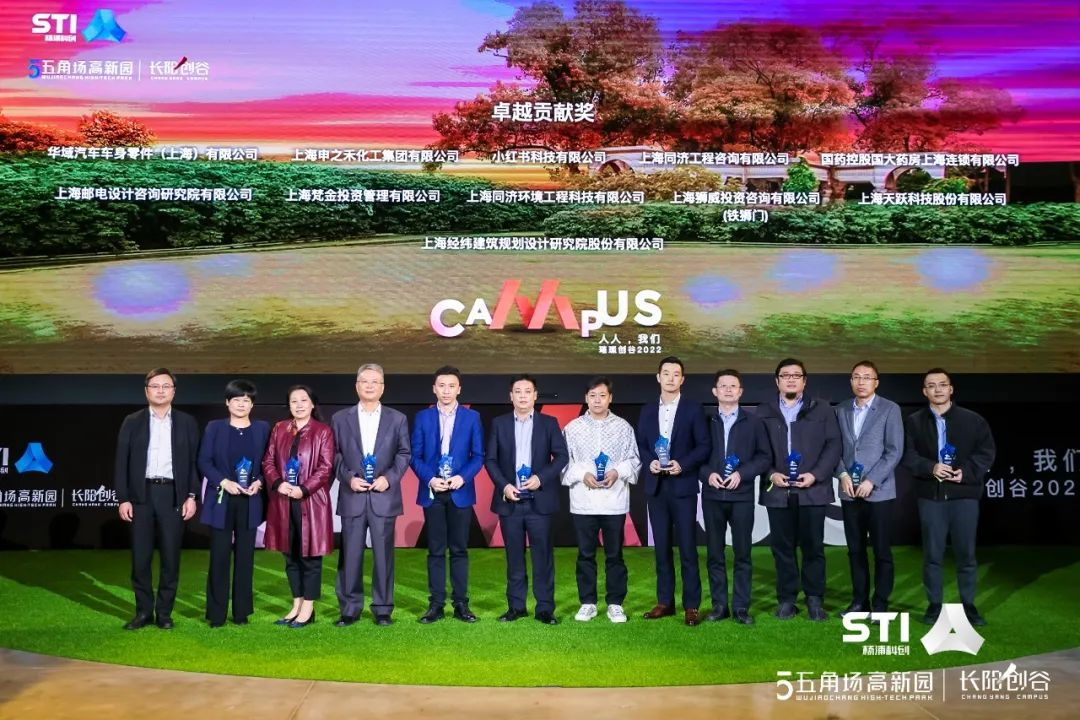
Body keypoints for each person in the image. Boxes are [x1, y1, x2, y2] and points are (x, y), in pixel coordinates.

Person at [903, 368, 996, 627]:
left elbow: (986, 452)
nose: (938, 389)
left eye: (942, 384)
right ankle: (934, 605)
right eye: (931, 385)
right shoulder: (914, 422)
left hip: (964, 496)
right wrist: (930, 467)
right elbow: (907, 455)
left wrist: (965, 472)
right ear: (925, 391)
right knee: (933, 555)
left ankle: (968, 606)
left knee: (966, 554)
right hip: (931, 497)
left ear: (951, 389)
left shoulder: (973, 420)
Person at [114, 368, 200, 630]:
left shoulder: (186, 422)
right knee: (140, 559)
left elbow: (194, 462)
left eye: (166, 386)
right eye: (155, 386)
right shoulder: (132, 421)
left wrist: (192, 496)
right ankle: (143, 612)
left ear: (173, 391)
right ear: (146, 391)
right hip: (141, 495)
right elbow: (121, 462)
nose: (160, 390)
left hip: (173, 495)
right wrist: (123, 498)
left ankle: (164, 613)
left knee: (170, 558)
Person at [756, 358, 841, 622]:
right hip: (778, 491)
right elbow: (756, 450)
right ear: (777, 381)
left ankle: (814, 599)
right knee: (782, 548)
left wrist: (815, 475)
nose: (791, 379)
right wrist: (771, 473)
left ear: (804, 381)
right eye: (785, 375)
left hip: (812, 491)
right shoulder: (763, 411)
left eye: (796, 375)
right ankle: (787, 599)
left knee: (813, 547)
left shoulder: (822, 409)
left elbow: (834, 446)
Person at [486, 374, 569, 625]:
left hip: (539, 501)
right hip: (510, 501)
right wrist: (505, 486)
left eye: (527, 391)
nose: (522, 396)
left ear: (535, 395)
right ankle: (516, 606)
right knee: (514, 557)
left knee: (542, 557)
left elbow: (562, 456)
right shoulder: (499, 423)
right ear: (510, 396)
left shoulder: (549, 423)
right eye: (518, 391)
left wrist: (540, 478)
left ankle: (544, 608)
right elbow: (490, 460)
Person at [332, 363, 411, 627]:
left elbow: (404, 453)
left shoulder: (397, 419)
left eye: (375, 382)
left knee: (384, 556)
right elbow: (334, 455)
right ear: (357, 386)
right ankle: (349, 609)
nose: (369, 386)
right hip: (352, 496)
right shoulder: (340, 418)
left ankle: (383, 609)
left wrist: (388, 479)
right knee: (350, 555)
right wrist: (349, 478)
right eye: (364, 381)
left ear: (382, 387)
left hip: (383, 497)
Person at [636, 356, 711, 626]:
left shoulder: (693, 409)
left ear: (682, 379)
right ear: (658, 377)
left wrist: (683, 464)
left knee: (688, 548)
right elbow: (641, 445)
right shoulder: (647, 410)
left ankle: (691, 605)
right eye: (666, 373)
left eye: (675, 374)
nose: (670, 378)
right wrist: (650, 462)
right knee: (661, 549)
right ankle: (664, 602)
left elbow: (704, 445)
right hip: (656, 487)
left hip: (683, 486)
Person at [561, 376, 641, 623]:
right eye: (593, 396)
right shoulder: (572, 428)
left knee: (614, 555)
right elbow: (563, 463)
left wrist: (617, 472)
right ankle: (588, 603)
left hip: (613, 502)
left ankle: (615, 604)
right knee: (585, 554)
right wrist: (582, 475)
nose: (597, 400)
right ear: (586, 398)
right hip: (583, 503)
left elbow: (634, 460)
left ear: (610, 398)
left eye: (602, 395)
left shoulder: (623, 427)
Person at [410, 366, 484, 624]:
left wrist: (461, 478)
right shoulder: (423, 417)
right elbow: (414, 456)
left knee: (460, 550)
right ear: (434, 388)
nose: (446, 390)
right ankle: (436, 605)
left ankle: (461, 604)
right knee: (436, 550)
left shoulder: (472, 417)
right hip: (432, 491)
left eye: (451, 386)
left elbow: (479, 456)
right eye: (441, 385)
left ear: (459, 389)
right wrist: (430, 479)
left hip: (460, 491)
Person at [697, 369, 770, 625]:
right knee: (715, 554)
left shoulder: (754, 422)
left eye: (733, 386)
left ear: (740, 392)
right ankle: (719, 606)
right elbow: (695, 455)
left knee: (743, 554)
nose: (728, 390)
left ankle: (740, 607)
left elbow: (764, 457)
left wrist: (742, 474)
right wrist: (707, 475)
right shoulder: (705, 421)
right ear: (715, 391)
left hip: (741, 497)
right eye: (723, 386)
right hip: (712, 496)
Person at [197, 379, 270, 627]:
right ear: (227, 402)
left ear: (252, 404)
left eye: (246, 400)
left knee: (245, 557)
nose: (241, 404)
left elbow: (269, 462)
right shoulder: (214, 428)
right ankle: (216, 614)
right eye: (236, 399)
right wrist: (223, 482)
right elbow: (204, 461)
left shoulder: (262, 429)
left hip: (250, 500)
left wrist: (260, 482)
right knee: (219, 557)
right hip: (222, 499)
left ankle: (241, 612)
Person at [261, 385, 335, 628]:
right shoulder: (279, 428)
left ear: (313, 404)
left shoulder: (323, 431)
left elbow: (326, 467)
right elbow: (268, 461)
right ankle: (296, 604)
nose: (299, 405)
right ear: (289, 405)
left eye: (304, 400)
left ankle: (308, 608)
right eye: (294, 401)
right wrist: (278, 483)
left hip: (310, 501)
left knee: (310, 556)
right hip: (283, 501)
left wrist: (303, 488)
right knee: (290, 555)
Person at [835, 361, 904, 617]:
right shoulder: (841, 409)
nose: (861, 381)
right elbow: (834, 448)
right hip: (849, 492)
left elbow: (894, 450)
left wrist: (871, 480)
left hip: (879, 492)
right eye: (856, 377)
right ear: (851, 381)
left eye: (867, 377)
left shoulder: (889, 409)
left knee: (881, 551)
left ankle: (881, 604)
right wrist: (842, 474)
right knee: (855, 551)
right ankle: (859, 602)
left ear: (876, 382)